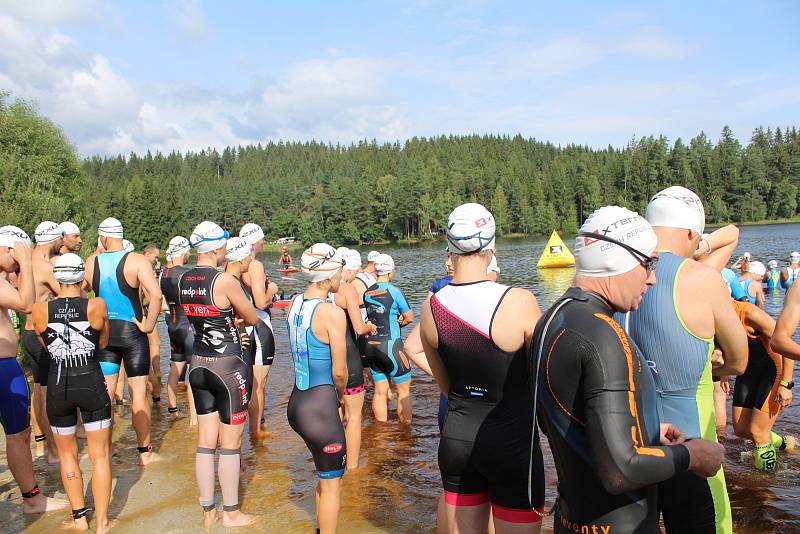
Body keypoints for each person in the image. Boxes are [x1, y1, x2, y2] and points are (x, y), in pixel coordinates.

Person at [533, 206, 725, 534]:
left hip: (571, 518)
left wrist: (645, 424)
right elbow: (621, 471)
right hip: (619, 524)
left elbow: (560, 422)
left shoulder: (553, 318)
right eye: (648, 263)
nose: (652, 278)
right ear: (615, 258)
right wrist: (691, 455)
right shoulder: (603, 334)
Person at [618, 186, 747, 534]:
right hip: (689, 444)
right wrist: (708, 365)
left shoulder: (617, 275)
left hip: (632, 442)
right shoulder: (700, 278)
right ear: (691, 233)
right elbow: (739, 360)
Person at [420, 203, 545, 534]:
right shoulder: (519, 300)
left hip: (458, 436)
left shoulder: (432, 307)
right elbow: (543, 378)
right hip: (511, 440)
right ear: (491, 247)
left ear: (449, 247)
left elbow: (445, 383)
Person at [180, 222, 258, 528]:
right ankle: (232, 513)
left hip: (197, 364)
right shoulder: (224, 280)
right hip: (226, 367)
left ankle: (207, 512)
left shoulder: (183, 279)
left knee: (204, 441)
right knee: (230, 443)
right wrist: (236, 319)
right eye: (224, 243)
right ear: (215, 248)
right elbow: (251, 316)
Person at [32, 254, 113, 533]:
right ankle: (102, 524)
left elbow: (45, 344)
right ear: (82, 278)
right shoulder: (96, 304)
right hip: (90, 379)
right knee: (99, 455)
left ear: (57, 278)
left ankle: (80, 520)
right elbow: (104, 341)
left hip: (58, 384)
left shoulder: (39, 309)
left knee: (68, 456)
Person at [0, 226, 68, 514]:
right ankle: (32, 499)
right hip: (3, 368)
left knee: (21, 433)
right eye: (14, 257)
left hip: (6, 366)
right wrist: (26, 264)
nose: (17, 264)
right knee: (17, 434)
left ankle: (32, 497)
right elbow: (27, 304)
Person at [84, 217, 163, 465]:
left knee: (106, 393)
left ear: (103, 237)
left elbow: (81, 293)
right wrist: (148, 325)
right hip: (132, 332)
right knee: (138, 393)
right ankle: (145, 452)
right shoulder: (137, 260)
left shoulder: (90, 262)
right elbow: (156, 296)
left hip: (104, 333)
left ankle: (104, 449)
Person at [287, 243, 347, 534]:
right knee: (333, 484)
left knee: (325, 477)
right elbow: (339, 371)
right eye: (340, 269)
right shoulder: (332, 314)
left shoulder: (295, 303)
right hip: (321, 408)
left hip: (297, 403)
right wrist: (342, 398)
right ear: (329, 274)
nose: (343, 275)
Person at [730, 300, 797, 471]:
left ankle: (764, 485)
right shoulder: (712, 316)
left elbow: (784, 342)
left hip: (772, 372)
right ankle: (783, 444)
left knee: (758, 432)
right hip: (746, 373)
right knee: (741, 429)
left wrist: (786, 383)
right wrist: (723, 377)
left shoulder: (749, 313)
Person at [20, 221, 64, 463]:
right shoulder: (46, 267)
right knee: (49, 395)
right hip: (42, 336)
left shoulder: (24, 265)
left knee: (38, 389)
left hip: (27, 335)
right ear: (54, 239)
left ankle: (40, 446)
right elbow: (66, 292)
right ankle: (53, 453)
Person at [331, 248, 377, 470]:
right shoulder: (346, 289)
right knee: (354, 418)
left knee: (334, 414)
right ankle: (353, 469)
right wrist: (371, 326)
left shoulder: (318, 290)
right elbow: (358, 328)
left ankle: (334, 461)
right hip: (348, 357)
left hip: (324, 361)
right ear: (346, 268)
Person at [362, 253, 414, 423]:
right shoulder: (395, 291)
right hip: (391, 346)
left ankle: (381, 435)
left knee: (379, 390)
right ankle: (406, 436)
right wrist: (399, 322)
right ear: (391, 271)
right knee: (404, 392)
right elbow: (409, 317)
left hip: (371, 347)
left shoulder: (367, 292)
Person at [238, 223, 277, 441]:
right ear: (255, 241)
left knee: (250, 381)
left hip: (243, 326)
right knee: (259, 384)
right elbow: (261, 302)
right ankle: (257, 432)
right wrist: (272, 289)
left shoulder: (231, 263)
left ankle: (251, 428)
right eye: (262, 238)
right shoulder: (254, 265)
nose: (264, 242)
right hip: (259, 325)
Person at [160, 236, 194, 418]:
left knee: (175, 368)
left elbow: (160, 299)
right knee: (193, 372)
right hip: (187, 326)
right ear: (184, 251)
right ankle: (195, 421)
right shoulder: (186, 274)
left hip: (172, 325)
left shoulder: (163, 273)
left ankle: (173, 411)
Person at [142, 244, 162, 403]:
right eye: (155, 257)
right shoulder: (143, 268)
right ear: (147, 254)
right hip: (144, 312)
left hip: (136, 312)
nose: (156, 260)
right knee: (155, 342)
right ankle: (157, 376)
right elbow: (150, 296)